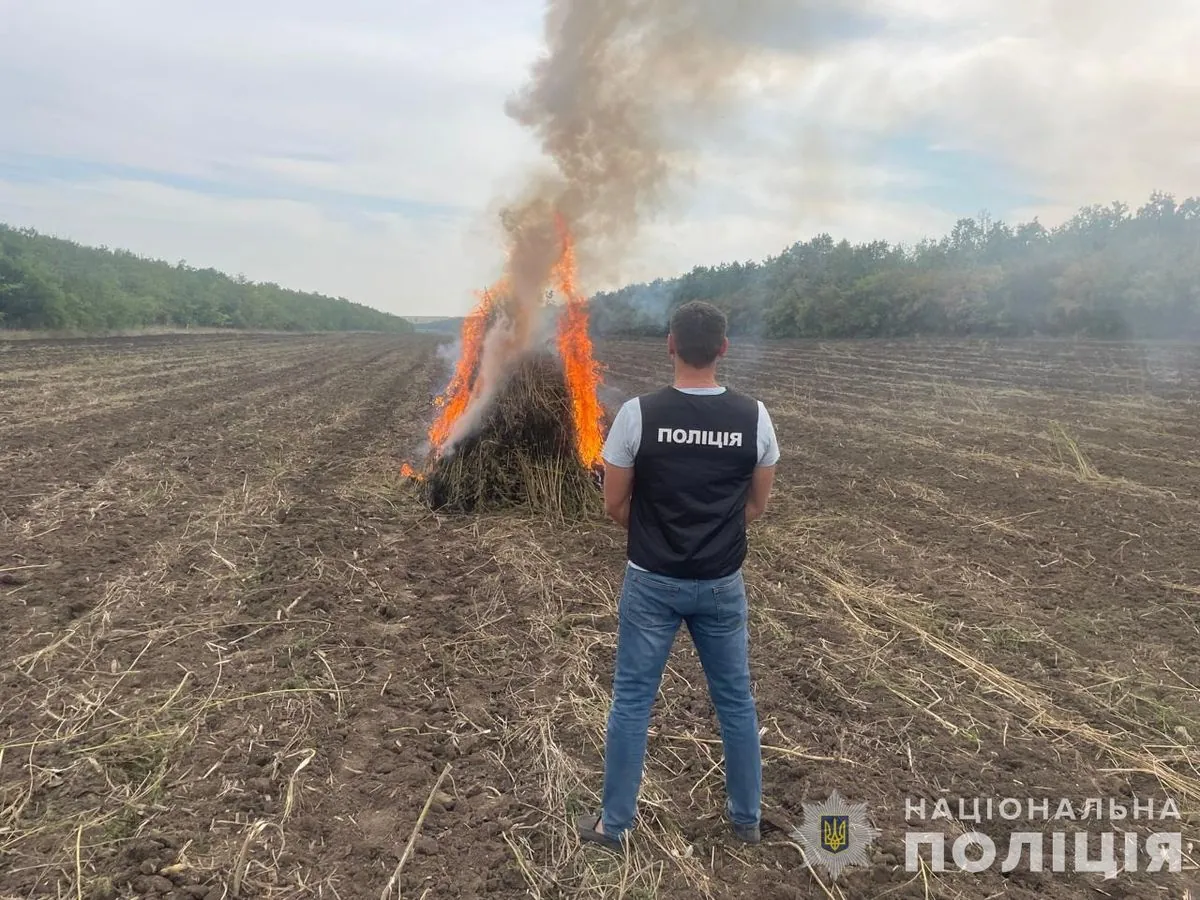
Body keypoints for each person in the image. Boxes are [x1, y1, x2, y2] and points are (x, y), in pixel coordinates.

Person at [576, 300, 779, 853]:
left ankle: (613, 826)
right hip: (721, 583)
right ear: (722, 348)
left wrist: (658, 530)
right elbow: (756, 504)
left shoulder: (638, 416)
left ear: (670, 344)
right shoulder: (754, 417)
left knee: (633, 702)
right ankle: (746, 819)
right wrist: (710, 532)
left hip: (651, 582)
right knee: (735, 701)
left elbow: (614, 504)